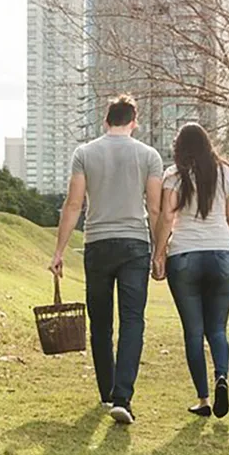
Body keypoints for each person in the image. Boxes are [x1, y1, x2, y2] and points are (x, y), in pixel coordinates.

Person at [50, 95, 163, 425]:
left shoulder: (84, 153)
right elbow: (155, 209)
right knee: (132, 320)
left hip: (97, 243)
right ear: (134, 122)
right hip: (134, 245)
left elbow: (73, 205)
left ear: (106, 121)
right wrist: (159, 252)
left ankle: (105, 392)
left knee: (100, 322)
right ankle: (122, 397)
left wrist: (59, 251)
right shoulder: (149, 156)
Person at [151, 123, 229, 419]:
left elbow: (166, 218)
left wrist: (158, 254)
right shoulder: (227, 172)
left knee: (193, 332)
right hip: (221, 256)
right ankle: (222, 377)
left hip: (184, 257)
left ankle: (203, 399)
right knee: (217, 329)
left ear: (180, 148)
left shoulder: (173, 175)